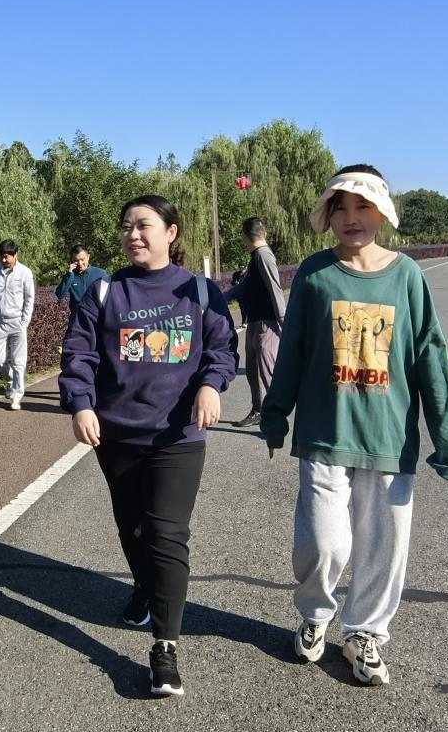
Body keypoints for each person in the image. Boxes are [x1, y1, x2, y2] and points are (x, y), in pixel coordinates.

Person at [260, 165, 448, 686]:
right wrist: (275, 413)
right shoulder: (314, 274)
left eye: (363, 207)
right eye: (341, 208)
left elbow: (430, 357)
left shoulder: (407, 276)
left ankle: (365, 633)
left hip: (389, 438)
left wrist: (447, 439)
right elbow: (292, 351)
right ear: (328, 216)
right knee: (323, 543)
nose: (351, 218)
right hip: (324, 433)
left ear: (383, 213)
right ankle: (316, 613)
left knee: (383, 548)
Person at [60, 195, 237, 698]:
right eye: (126, 227)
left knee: (166, 533)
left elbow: (222, 348)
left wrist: (211, 385)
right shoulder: (104, 291)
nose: (133, 235)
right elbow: (78, 354)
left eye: (143, 225)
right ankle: (144, 584)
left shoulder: (199, 291)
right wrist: (81, 404)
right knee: (131, 526)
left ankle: (165, 647)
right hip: (116, 434)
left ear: (171, 232)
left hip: (178, 435)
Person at [226, 218, 285, 427]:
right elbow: (245, 288)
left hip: (266, 324)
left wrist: (284, 323)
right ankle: (258, 411)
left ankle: (272, 419)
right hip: (255, 322)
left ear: (244, 236)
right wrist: (222, 297)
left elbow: (275, 290)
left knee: (264, 373)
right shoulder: (256, 256)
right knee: (253, 371)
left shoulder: (263, 256)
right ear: (264, 233)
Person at [0, 239, 36, 410]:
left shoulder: (25, 273)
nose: (4, 260)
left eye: (7, 256)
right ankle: (10, 380)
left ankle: (16, 396)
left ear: (15, 255)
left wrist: (25, 321)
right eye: (1, 256)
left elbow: (29, 298)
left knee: (18, 362)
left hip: (17, 323)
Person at [55, 244, 108, 317]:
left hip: (97, 318)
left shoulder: (101, 274)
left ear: (88, 257)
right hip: (77, 319)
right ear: (72, 260)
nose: (80, 263)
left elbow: (110, 297)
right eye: (76, 260)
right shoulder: (70, 276)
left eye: (82, 259)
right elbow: (60, 295)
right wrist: (69, 275)